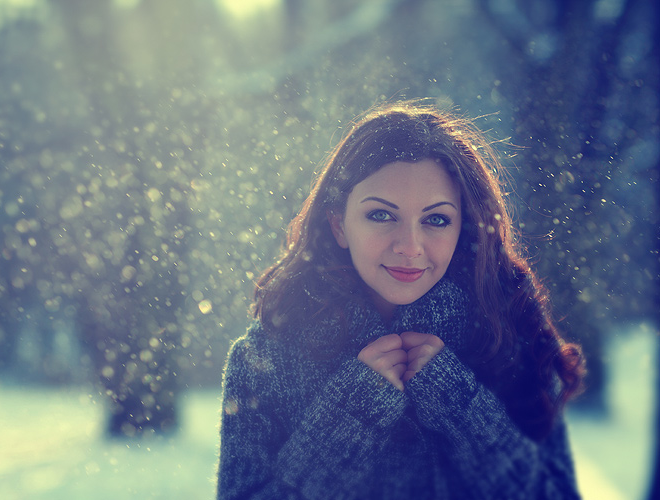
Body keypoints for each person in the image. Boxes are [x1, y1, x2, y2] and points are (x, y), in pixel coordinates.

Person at [216, 100, 585, 499]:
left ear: (464, 228)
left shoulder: (516, 340)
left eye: (436, 219)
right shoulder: (266, 359)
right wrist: (350, 416)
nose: (410, 247)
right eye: (381, 215)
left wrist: (460, 406)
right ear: (339, 224)